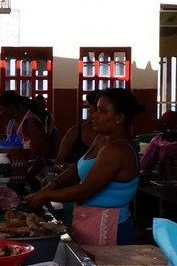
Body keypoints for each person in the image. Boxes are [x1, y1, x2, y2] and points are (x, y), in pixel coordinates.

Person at [24, 88, 141, 244]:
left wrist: (46, 195)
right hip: (89, 221)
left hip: (110, 226)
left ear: (119, 117)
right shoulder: (102, 139)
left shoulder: (118, 150)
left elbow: (86, 190)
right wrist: (51, 186)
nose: (93, 115)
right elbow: (76, 169)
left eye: (102, 111)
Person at [0, 90, 54, 188]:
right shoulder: (12, 123)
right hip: (19, 172)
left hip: (34, 173)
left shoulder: (30, 122)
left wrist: (30, 174)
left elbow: (47, 149)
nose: (1, 113)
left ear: (11, 107)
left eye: (2, 109)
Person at [55, 91, 101, 167]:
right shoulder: (75, 132)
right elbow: (58, 163)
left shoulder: (109, 139)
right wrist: (65, 168)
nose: (89, 111)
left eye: (103, 111)